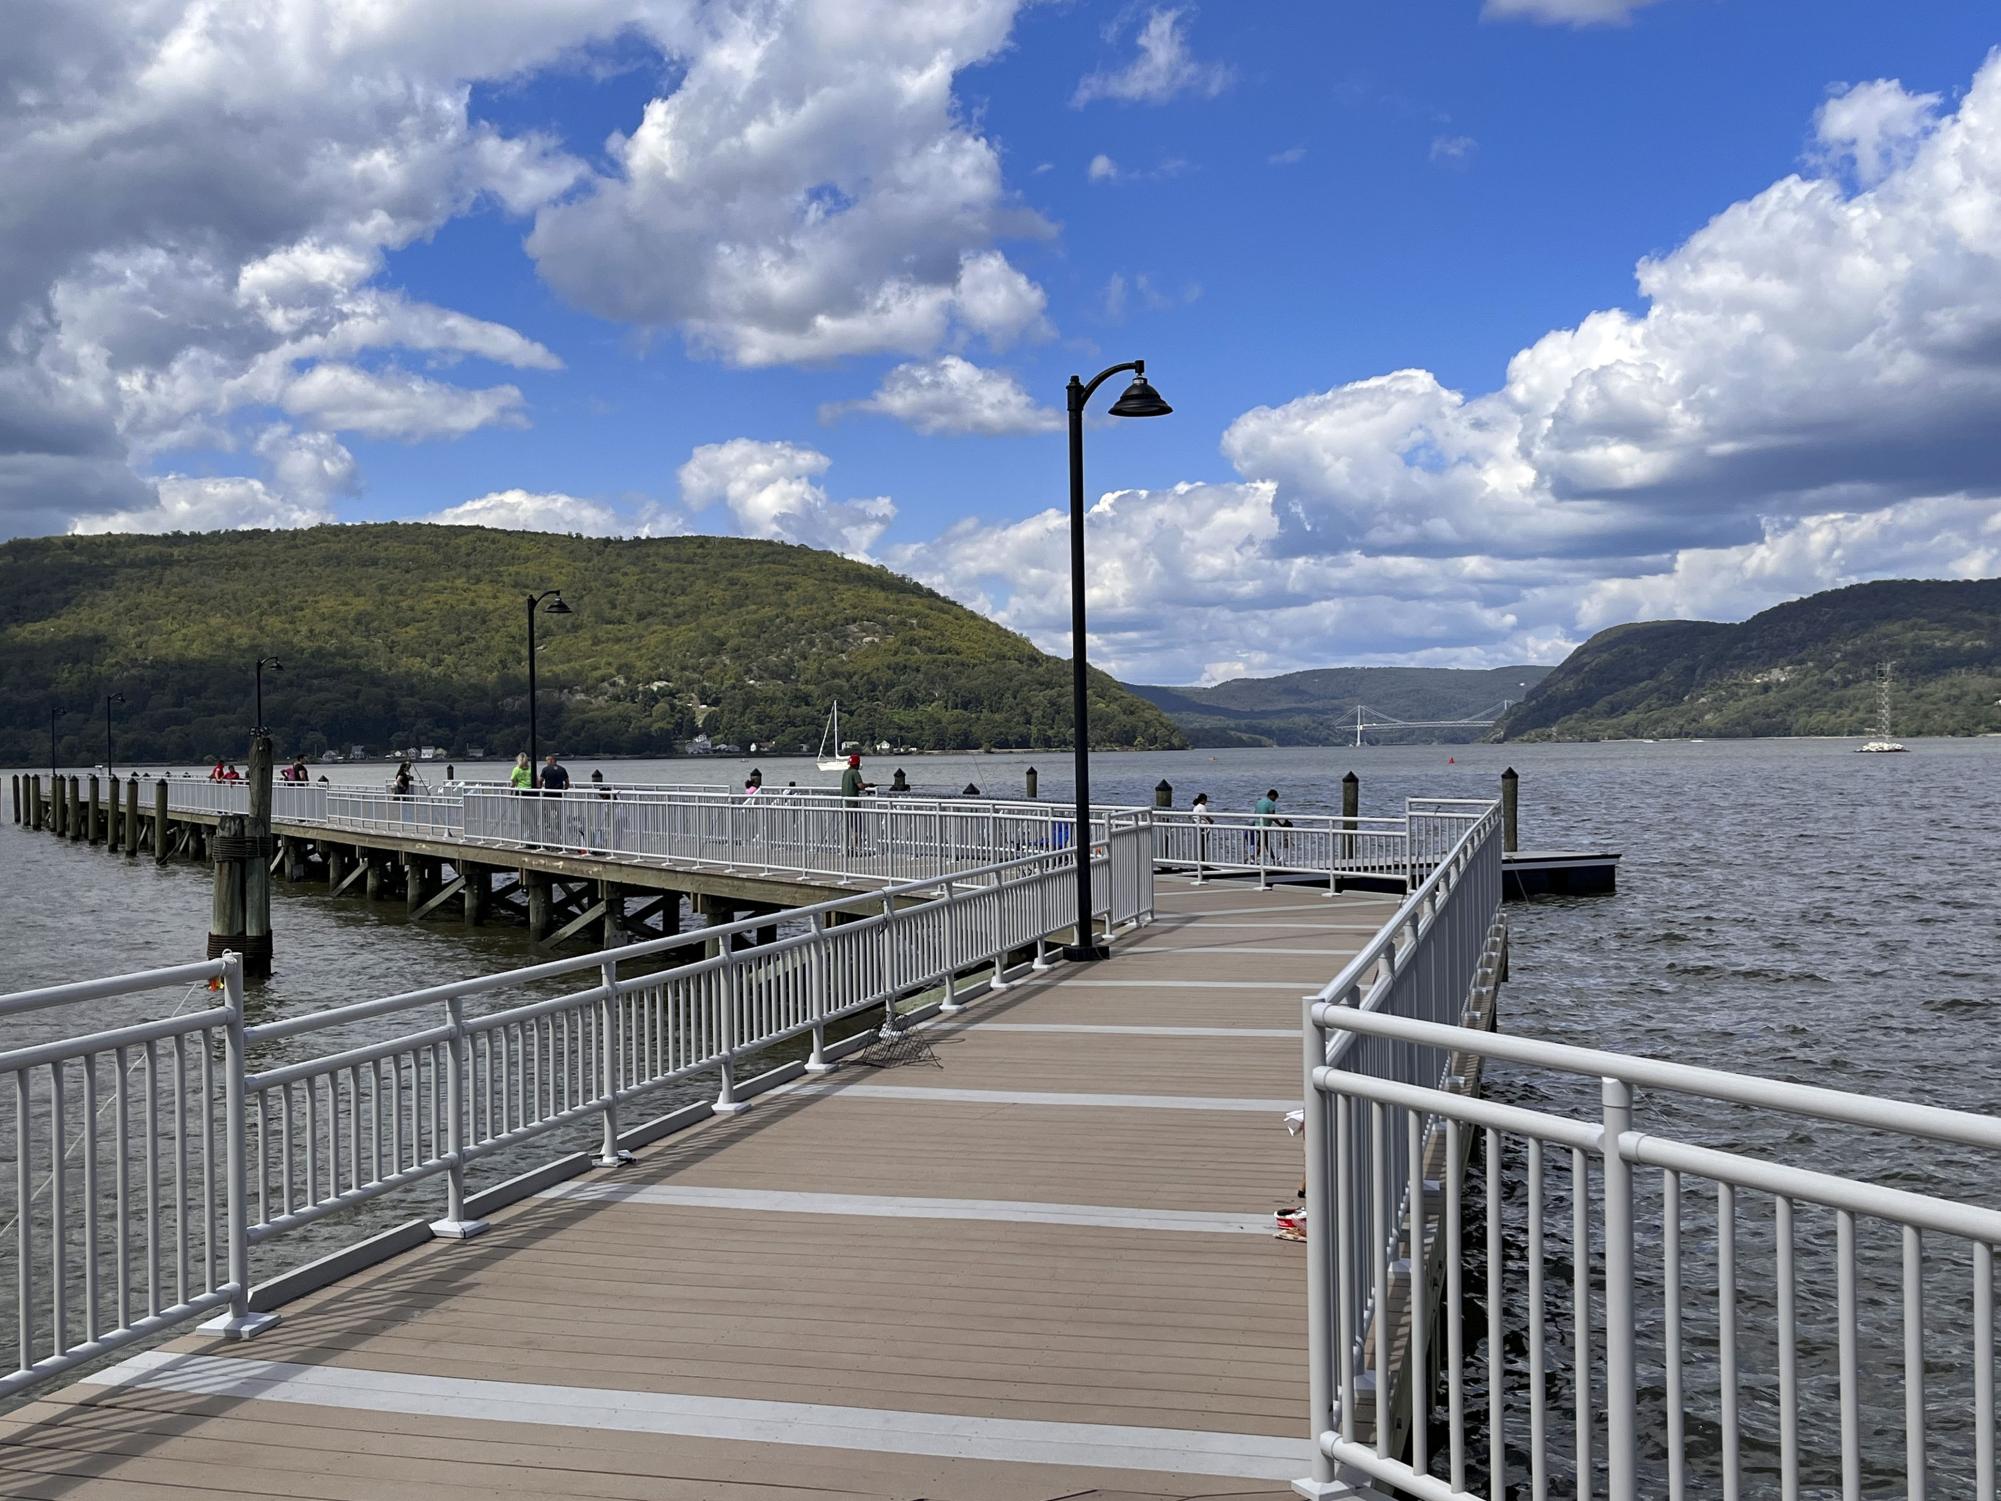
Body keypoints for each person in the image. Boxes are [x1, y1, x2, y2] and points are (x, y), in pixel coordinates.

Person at [840, 753, 873, 853]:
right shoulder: (855, 772)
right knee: (857, 827)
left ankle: (845, 848)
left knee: (846, 827)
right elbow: (860, 786)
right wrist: (869, 785)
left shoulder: (845, 772)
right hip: (853, 803)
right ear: (857, 764)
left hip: (844, 803)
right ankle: (855, 848)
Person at [1252, 787, 1279, 860]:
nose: (1275, 800)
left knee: (1263, 842)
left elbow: (1255, 812)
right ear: (1272, 796)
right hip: (1264, 826)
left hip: (1257, 824)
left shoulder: (1259, 801)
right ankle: (1253, 858)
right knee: (1264, 842)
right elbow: (1272, 816)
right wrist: (1280, 824)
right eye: (1275, 798)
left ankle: (1272, 858)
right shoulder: (1271, 803)